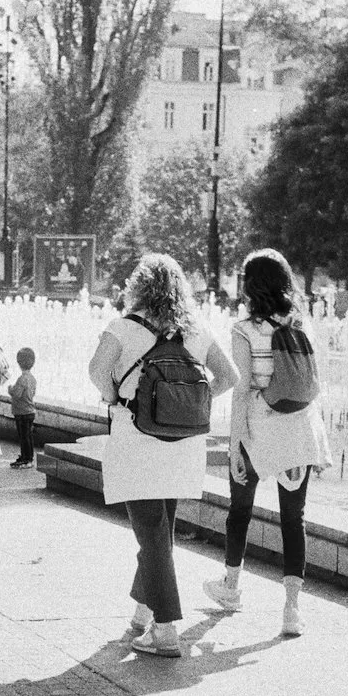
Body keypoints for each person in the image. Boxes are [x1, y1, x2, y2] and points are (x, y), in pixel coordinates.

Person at [87, 253, 238, 657]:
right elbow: (229, 377)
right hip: (184, 443)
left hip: (138, 440)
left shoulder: (123, 327)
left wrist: (115, 398)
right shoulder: (195, 329)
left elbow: (96, 370)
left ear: (138, 286)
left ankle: (167, 628)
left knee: (151, 532)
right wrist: (193, 402)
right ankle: (142, 613)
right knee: (159, 530)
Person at [203, 249, 332, 636]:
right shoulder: (301, 324)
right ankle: (292, 609)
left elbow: (241, 390)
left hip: (259, 432)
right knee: (294, 519)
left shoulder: (243, 330)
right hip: (299, 430)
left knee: (240, 511)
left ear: (249, 287)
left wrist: (234, 444)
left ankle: (230, 587)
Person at [7, 345, 38, 468]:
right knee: (28, 436)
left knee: (23, 436)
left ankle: (26, 458)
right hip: (30, 411)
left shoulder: (22, 379)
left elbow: (17, 394)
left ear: (19, 363)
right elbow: (33, 393)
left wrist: (10, 389)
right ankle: (28, 457)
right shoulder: (32, 379)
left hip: (21, 412)